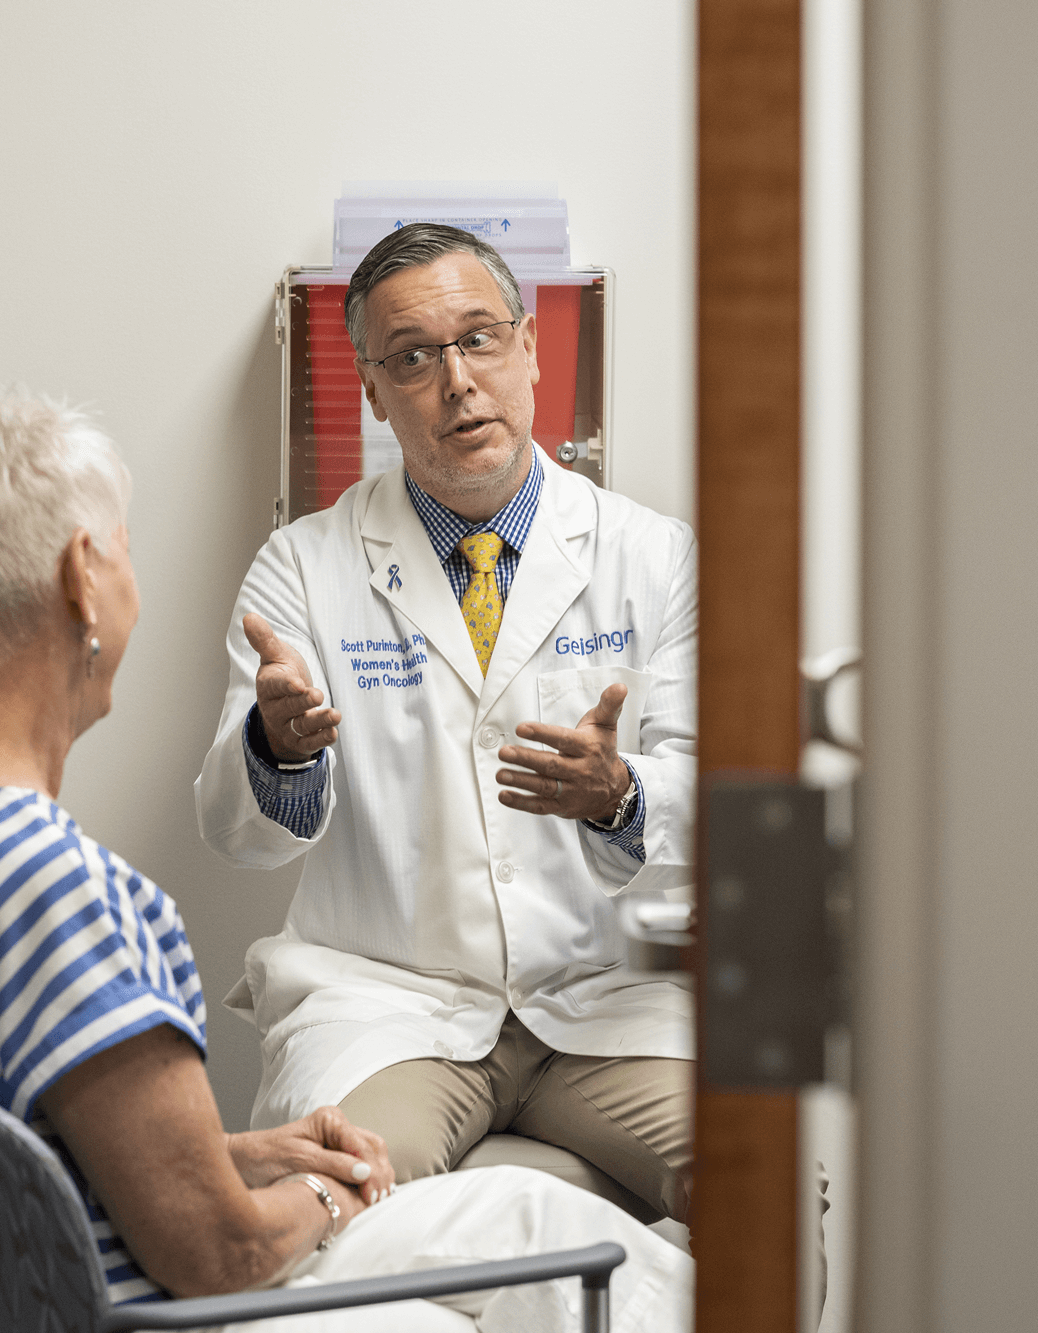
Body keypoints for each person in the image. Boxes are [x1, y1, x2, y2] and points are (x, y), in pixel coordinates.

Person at [0, 384, 690, 1332]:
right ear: (85, 576)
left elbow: (3, 1149)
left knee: (524, 1217)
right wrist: (336, 1194)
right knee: (573, 1262)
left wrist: (250, 1158)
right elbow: (220, 1254)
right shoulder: (64, 898)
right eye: (122, 547)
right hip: (127, 1312)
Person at [195, 224, 698, 1223]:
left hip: (603, 1005)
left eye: (479, 340)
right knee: (335, 1205)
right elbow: (235, 834)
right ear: (373, 393)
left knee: (768, 1183)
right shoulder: (302, 565)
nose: (456, 381)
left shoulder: (653, 556)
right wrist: (277, 750)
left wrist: (618, 796)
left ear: (531, 352)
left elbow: (707, 804)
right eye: (413, 357)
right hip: (392, 1007)